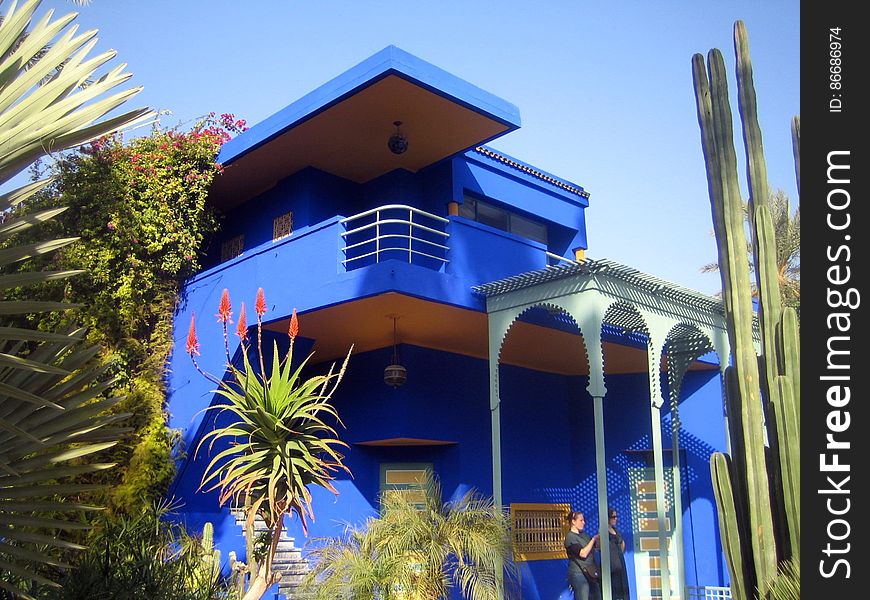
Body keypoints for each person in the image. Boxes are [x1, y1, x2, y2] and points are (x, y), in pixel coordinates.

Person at [564, 511, 602, 600]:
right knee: (583, 596)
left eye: (583, 520)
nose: (583, 522)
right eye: (581, 520)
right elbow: (583, 553)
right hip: (579, 573)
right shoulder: (570, 537)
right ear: (573, 522)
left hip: (590, 572)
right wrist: (593, 540)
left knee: (597, 596)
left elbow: (595, 547)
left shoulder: (584, 535)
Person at [606, 507, 631, 600]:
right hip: (611, 563)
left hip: (619, 560)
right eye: (613, 517)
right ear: (608, 518)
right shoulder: (604, 531)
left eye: (616, 517)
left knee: (622, 585)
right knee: (614, 587)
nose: (616, 519)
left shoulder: (616, 530)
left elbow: (622, 543)